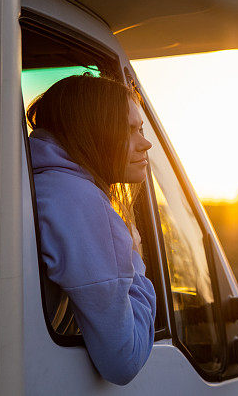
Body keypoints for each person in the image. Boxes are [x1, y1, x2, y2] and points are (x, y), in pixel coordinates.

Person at [27, 73, 156, 385]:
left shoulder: (43, 180)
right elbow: (124, 360)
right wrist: (135, 259)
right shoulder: (82, 201)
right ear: (94, 132)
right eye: (130, 130)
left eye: (141, 129)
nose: (146, 142)